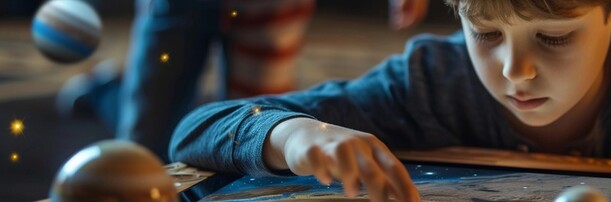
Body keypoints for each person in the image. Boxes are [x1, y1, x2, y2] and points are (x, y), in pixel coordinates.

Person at [169, 0, 611, 202]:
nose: (514, 71)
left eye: (553, 38)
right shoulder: (427, 81)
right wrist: (296, 134)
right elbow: (198, 129)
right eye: (485, 34)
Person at [57, 0, 428, 162]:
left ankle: (107, 89)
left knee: (250, 137)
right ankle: (107, 91)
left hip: (269, 7)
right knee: (143, 143)